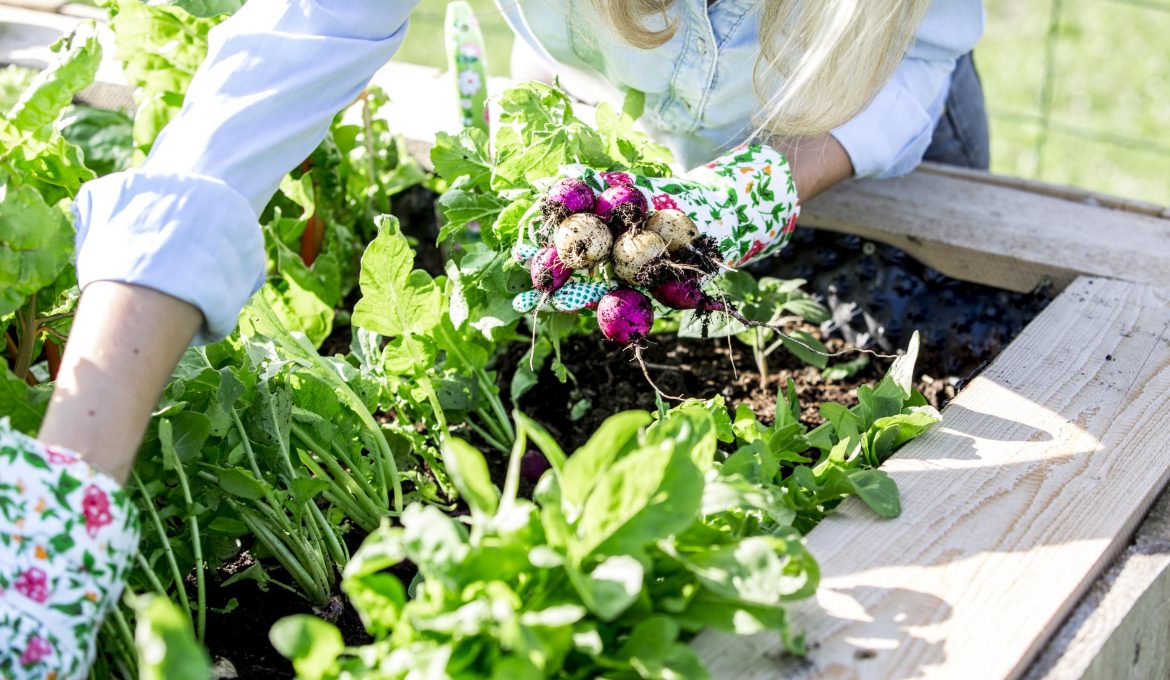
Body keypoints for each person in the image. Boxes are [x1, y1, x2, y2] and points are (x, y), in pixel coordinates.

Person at [1, 0, 985, 675]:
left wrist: (787, 173)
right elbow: (273, 71)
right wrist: (70, 479)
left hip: (874, 165)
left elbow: (924, 51)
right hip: (611, 128)